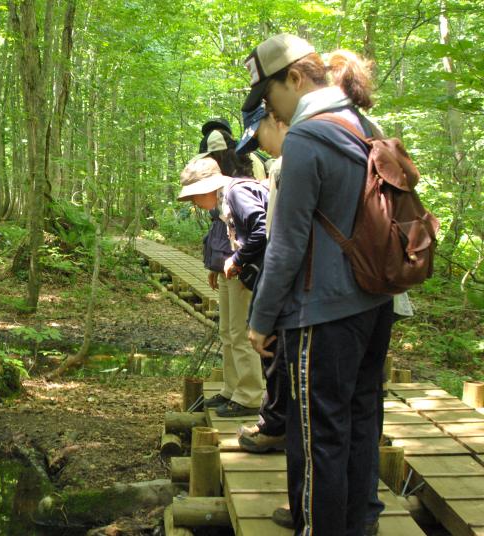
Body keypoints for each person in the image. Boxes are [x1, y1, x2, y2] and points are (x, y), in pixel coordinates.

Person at [242, 34, 394, 536]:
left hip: (322, 312)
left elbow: (286, 245)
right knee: (360, 420)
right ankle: (359, 522)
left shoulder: (308, 137)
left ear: (295, 78)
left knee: (317, 434)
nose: (271, 110)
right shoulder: (363, 124)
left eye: (269, 98)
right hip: (375, 302)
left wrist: (261, 321)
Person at [179, 130, 267, 418]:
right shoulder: (223, 198)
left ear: (208, 187)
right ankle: (232, 389)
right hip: (235, 270)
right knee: (228, 331)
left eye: (194, 196)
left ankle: (250, 396)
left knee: (241, 333)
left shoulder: (236, 192)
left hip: (248, 271)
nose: (193, 203)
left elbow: (262, 229)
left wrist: (238, 259)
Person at [234, 104, 288, 453]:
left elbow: (279, 241)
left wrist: (263, 314)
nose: (261, 149)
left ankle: (275, 427)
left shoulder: (288, 166)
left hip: (304, 295)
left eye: (259, 138)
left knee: (278, 362)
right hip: (365, 294)